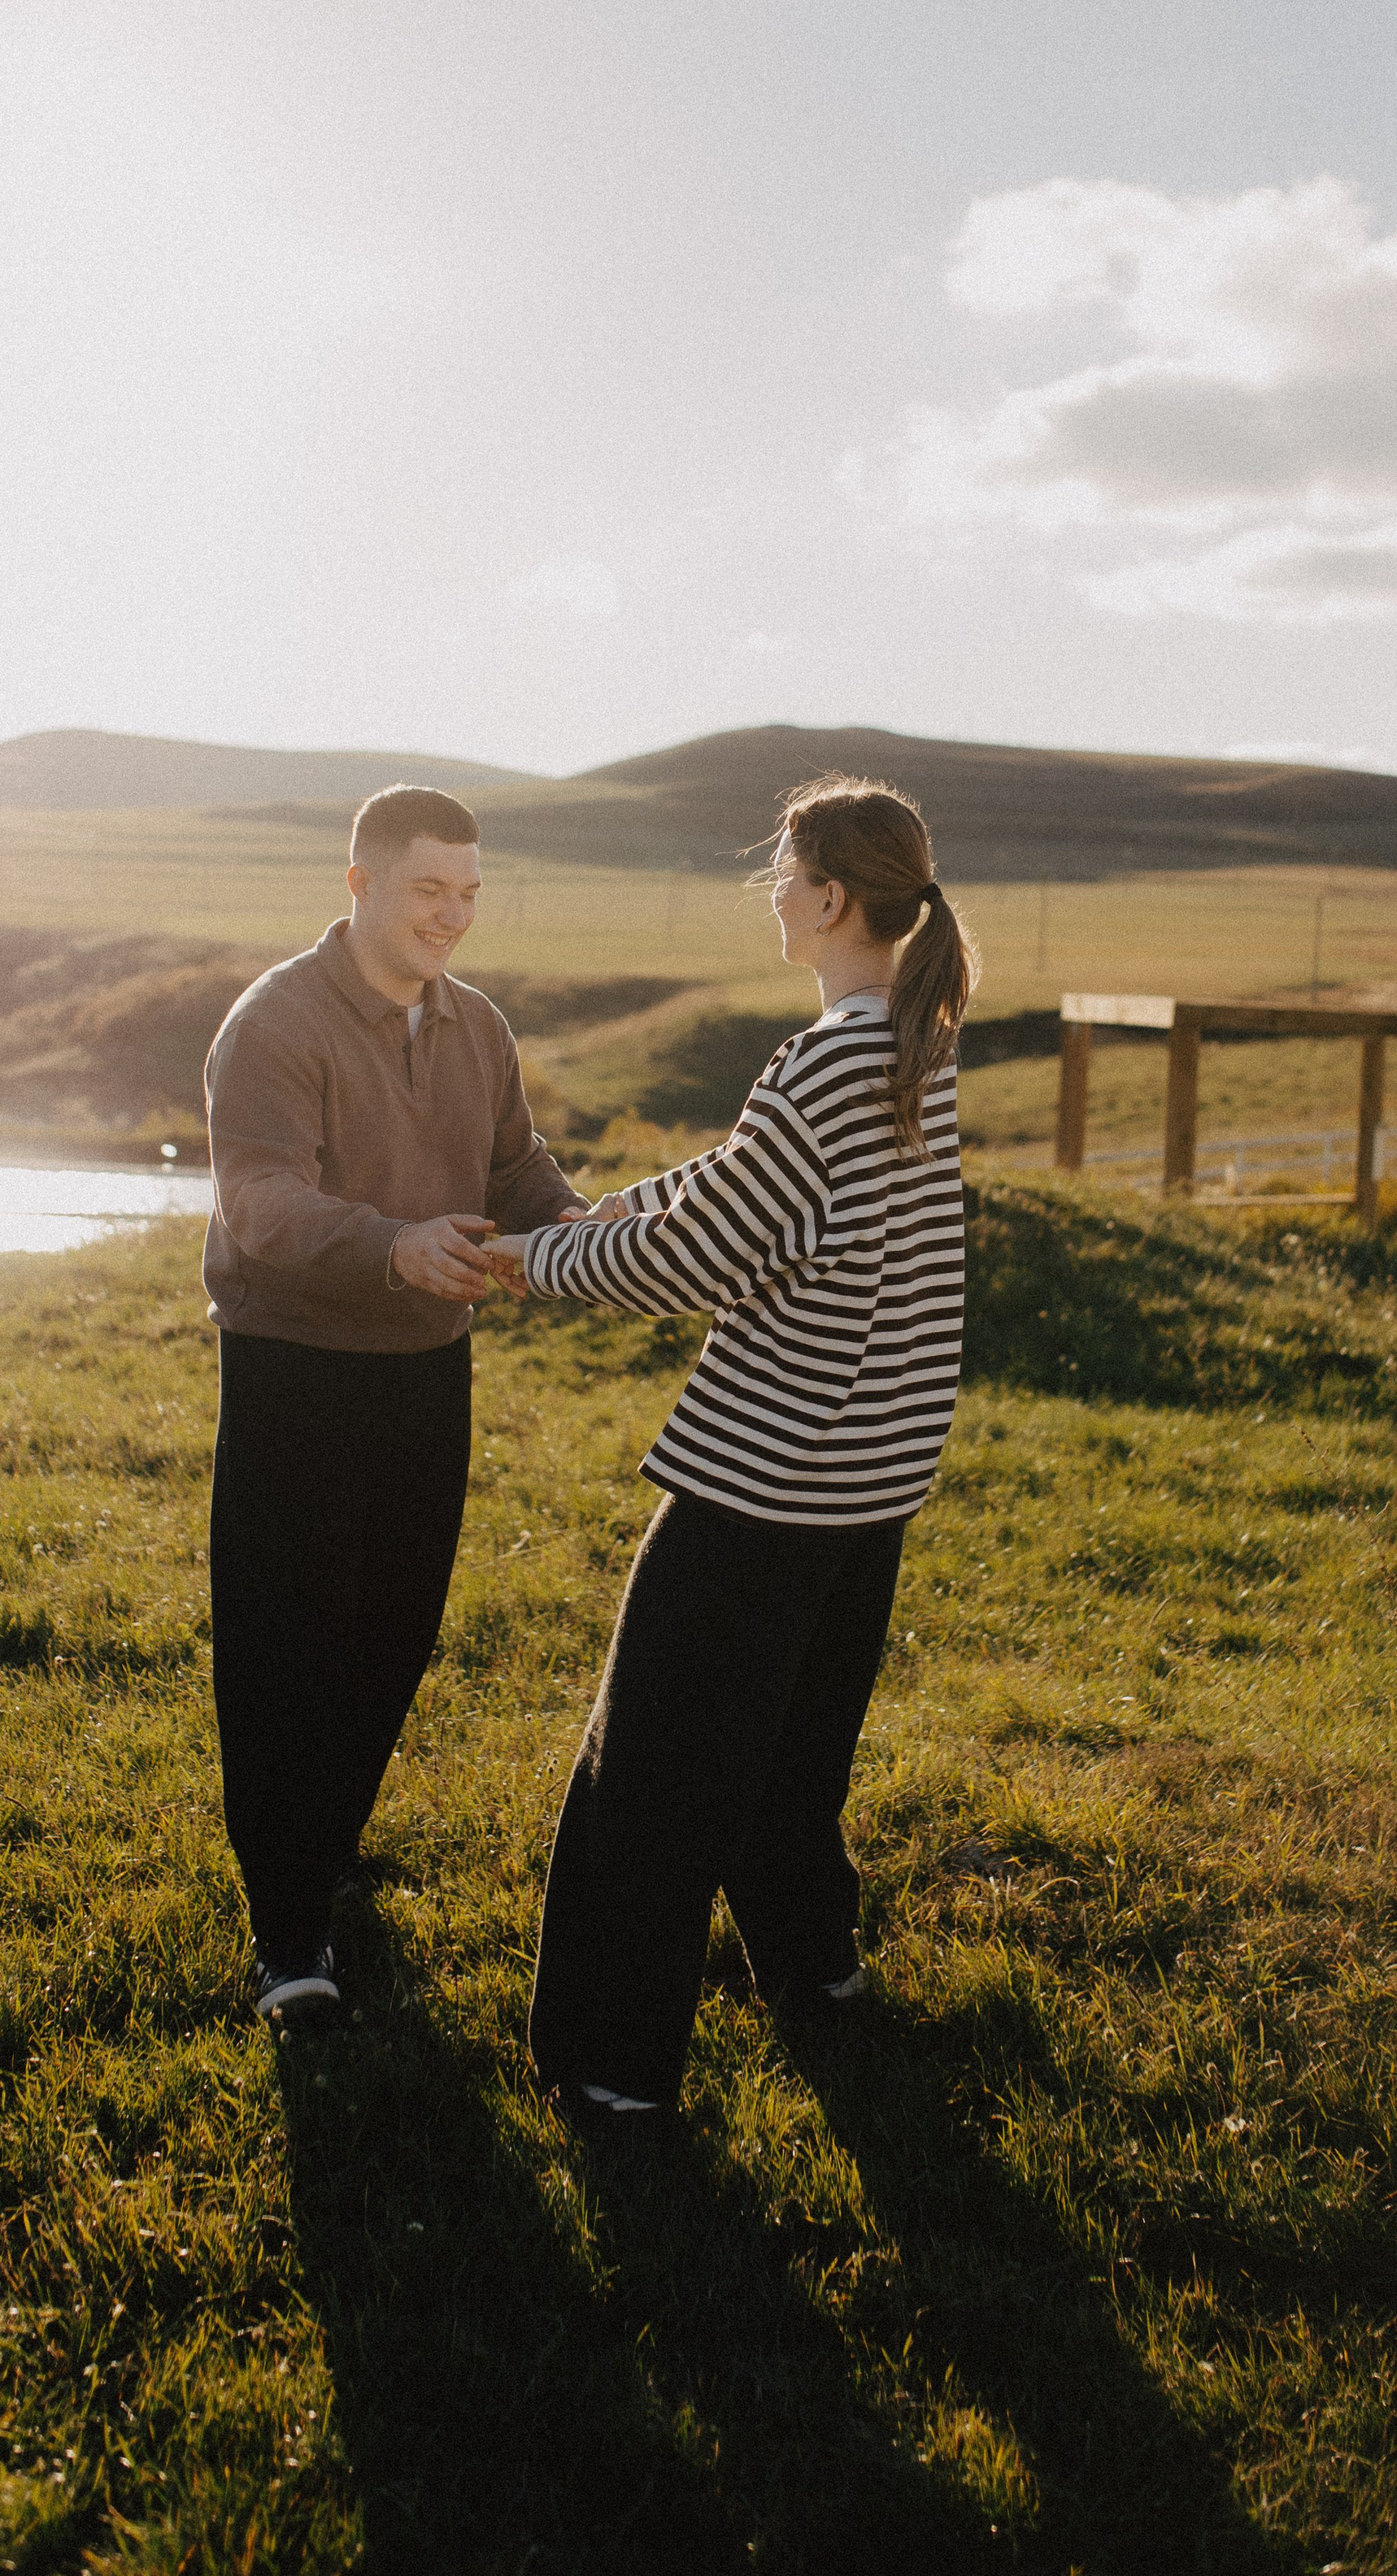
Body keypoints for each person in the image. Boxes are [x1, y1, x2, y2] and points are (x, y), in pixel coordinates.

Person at [489, 775, 977, 2129]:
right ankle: (816, 1973)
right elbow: (726, 1192)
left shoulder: (830, 1055)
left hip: (768, 1485)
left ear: (829, 897)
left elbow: (700, 1249)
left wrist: (530, 1264)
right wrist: (587, 1221)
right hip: (867, 1486)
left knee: (644, 1776)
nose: (771, 896)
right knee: (789, 1759)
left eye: (782, 876)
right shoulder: (919, 1045)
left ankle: (610, 2069)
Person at [202, 783, 585, 2022]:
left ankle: (321, 1842)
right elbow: (258, 1205)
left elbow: (515, 1169)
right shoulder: (275, 1022)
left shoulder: (478, 1026)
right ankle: (289, 1933)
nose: (454, 917)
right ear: (360, 883)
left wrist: (587, 1229)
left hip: (431, 1366)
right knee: (287, 1647)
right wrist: (390, 1244)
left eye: (470, 894)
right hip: (297, 1369)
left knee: (394, 1633)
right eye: (431, 890)